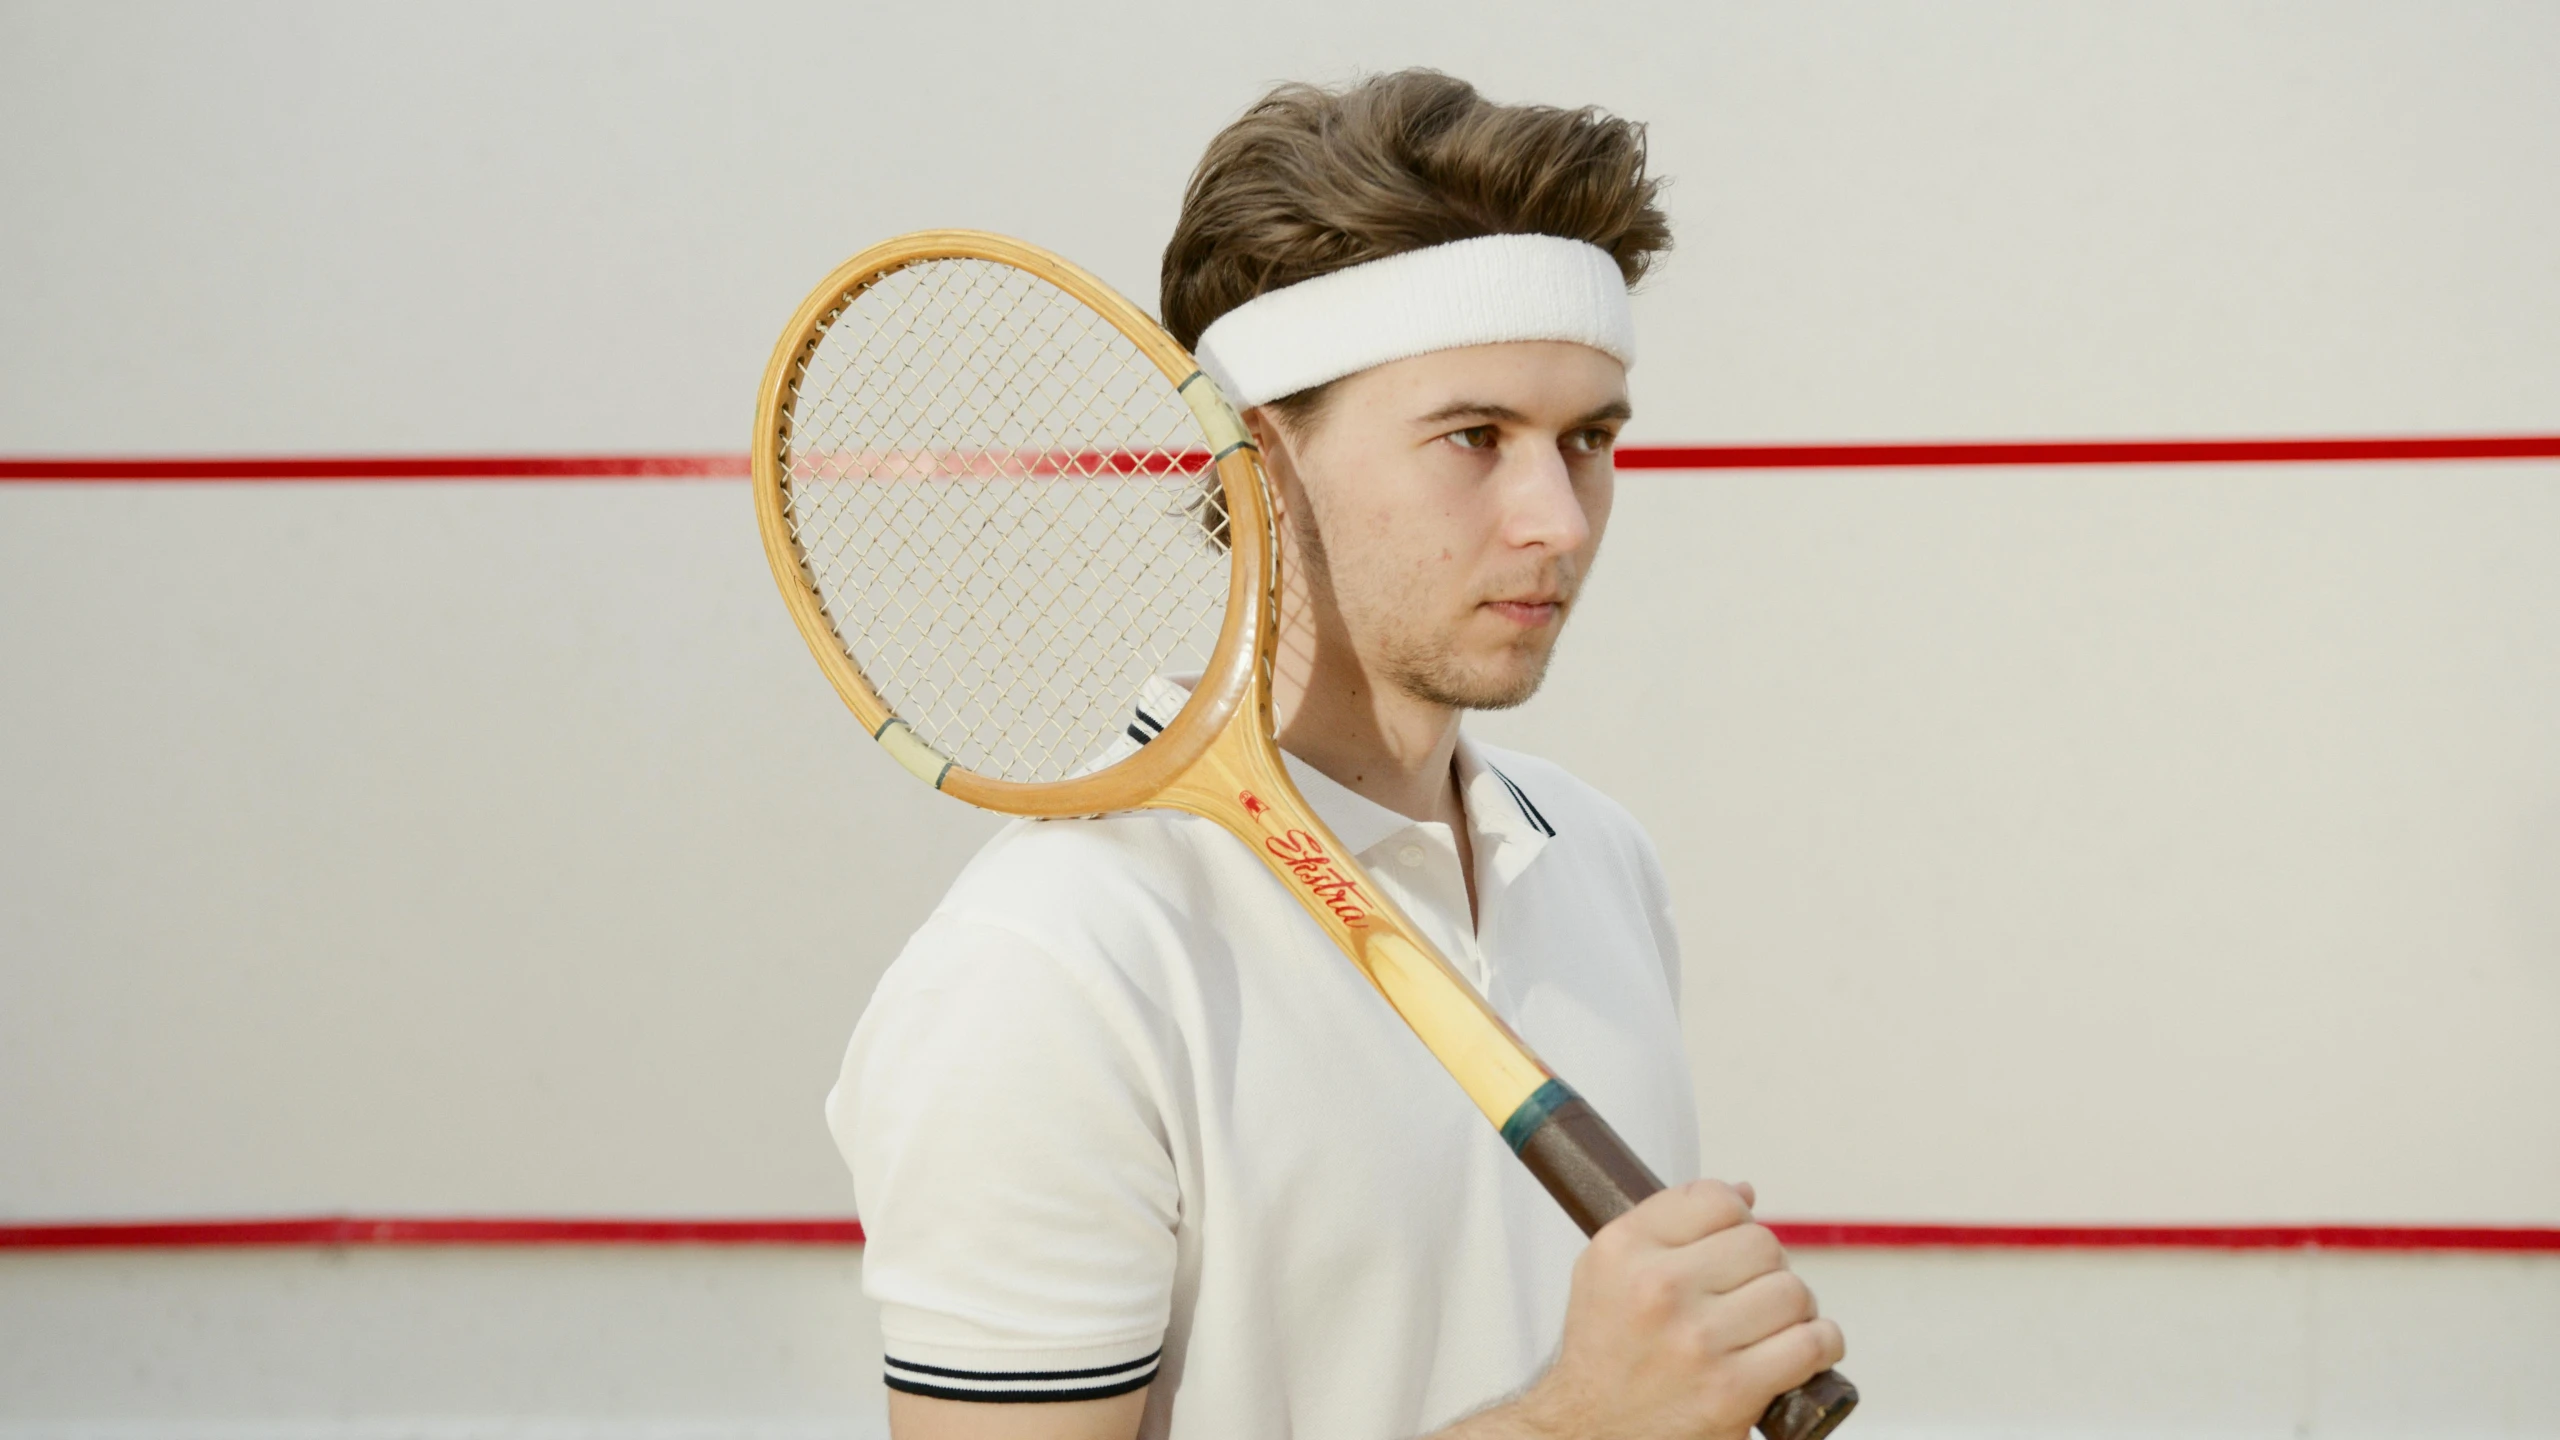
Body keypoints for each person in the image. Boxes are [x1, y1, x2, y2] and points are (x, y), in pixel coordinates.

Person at [827, 68, 1845, 1440]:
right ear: (1255, 460)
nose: (1558, 518)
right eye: (1473, 437)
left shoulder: (1598, 856)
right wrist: (1570, 1426)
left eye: (1589, 439)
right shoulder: (1055, 963)